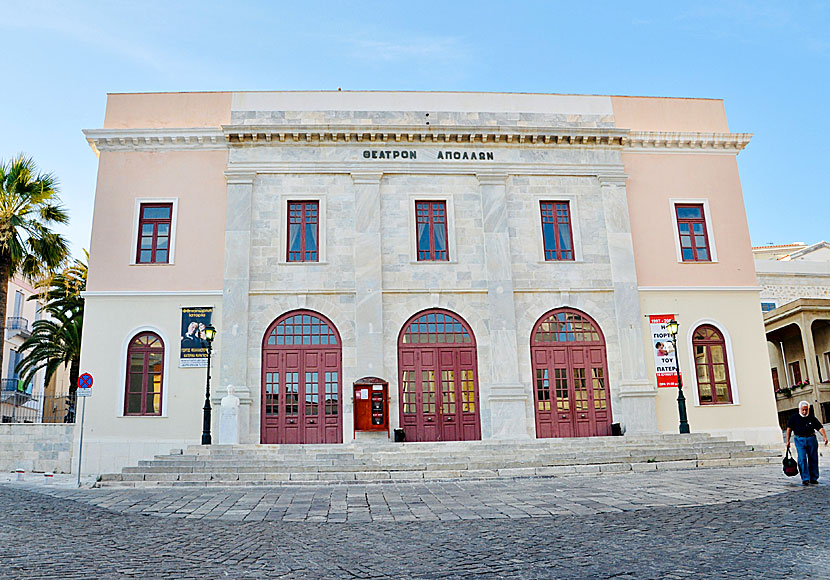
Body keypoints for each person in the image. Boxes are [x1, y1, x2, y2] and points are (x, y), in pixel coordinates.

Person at [785, 400, 829, 485]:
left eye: (806, 410)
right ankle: (805, 478)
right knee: (802, 458)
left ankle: (814, 477)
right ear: (799, 409)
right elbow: (789, 429)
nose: (805, 412)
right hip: (799, 439)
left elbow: (819, 427)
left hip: (811, 439)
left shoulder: (812, 418)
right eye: (803, 410)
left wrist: (824, 437)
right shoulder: (794, 418)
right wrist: (787, 441)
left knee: (813, 458)